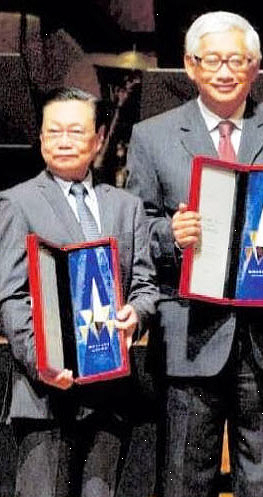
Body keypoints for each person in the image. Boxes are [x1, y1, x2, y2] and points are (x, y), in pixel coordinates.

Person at [123, 11, 263, 496]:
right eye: (212, 59)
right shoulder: (153, 135)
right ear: (190, 66)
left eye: (237, 60)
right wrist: (170, 234)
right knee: (185, 481)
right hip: (189, 332)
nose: (225, 71)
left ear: (255, 67)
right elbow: (134, 230)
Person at [0, 87, 159, 497]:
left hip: (110, 394)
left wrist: (137, 315)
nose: (64, 141)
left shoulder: (127, 207)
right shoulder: (16, 203)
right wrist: (43, 361)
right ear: (40, 138)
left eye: (75, 131)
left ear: (100, 138)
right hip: (46, 395)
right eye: (53, 132)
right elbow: (11, 299)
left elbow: (144, 285)